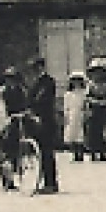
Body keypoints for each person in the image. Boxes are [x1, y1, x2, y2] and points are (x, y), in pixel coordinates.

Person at [0, 66, 29, 190]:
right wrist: (6, 118)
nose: (11, 81)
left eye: (13, 79)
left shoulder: (22, 91)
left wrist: (25, 113)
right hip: (5, 119)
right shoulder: (1, 92)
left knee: (18, 144)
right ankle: (7, 179)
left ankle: (19, 164)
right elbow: (0, 106)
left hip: (18, 119)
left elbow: (26, 104)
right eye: (9, 79)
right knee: (6, 148)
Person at [27, 57, 60, 192]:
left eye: (36, 68)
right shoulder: (36, 83)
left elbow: (42, 100)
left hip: (46, 120)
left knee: (47, 152)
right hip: (37, 120)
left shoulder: (48, 82)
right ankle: (46, 181)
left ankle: (51, 183)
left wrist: (34, 106)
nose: (34, 71)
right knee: (41, 152)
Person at [84, 61, 106, 162]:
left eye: (100, 72)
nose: (98, 75)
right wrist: (94, 102)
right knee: (92, 133)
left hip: (103, 110)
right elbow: (87, 98)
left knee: (102, 132)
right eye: (95, 72)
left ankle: (102, 153)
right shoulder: (90, 85)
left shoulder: (105, 86)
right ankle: (93, 153)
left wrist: (105, 103)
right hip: (93, 110)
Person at [62, 71, 88, 162]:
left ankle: (80, 153)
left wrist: (85, 113)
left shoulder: (84, 93)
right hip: (71, 115)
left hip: (80, 114)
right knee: (71, 134)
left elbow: (86, 105)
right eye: (74, 81)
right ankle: (74, 153)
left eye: (78, 81)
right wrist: (66, 116)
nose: (76, 83)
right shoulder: (68, 94)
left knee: (80, 135)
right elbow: (66, 107)